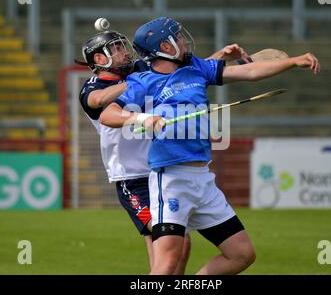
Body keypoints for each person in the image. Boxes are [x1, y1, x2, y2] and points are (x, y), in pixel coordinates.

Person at [99, 16, 320, 275]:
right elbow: (107, 115)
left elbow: (248, 71)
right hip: (171, 181)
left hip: (203, 180)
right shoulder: (144, 81)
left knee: (241, 254)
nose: (183, 40)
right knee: (167, 264)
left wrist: (294, 61)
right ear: (165, 47)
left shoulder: (196, 68)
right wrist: (142, 118)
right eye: (177, 37)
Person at [77, 24, 251, 273]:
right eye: (116, 49)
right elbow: (95, 102)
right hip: (132, 179)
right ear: (99, 58)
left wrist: (219, 57)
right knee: (168, 246)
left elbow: (180, 77)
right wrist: (138, 84)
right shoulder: (93, 86)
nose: (125, 53)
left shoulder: (141, 72)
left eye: (124, 46)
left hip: (160, 169)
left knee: (178, 247)